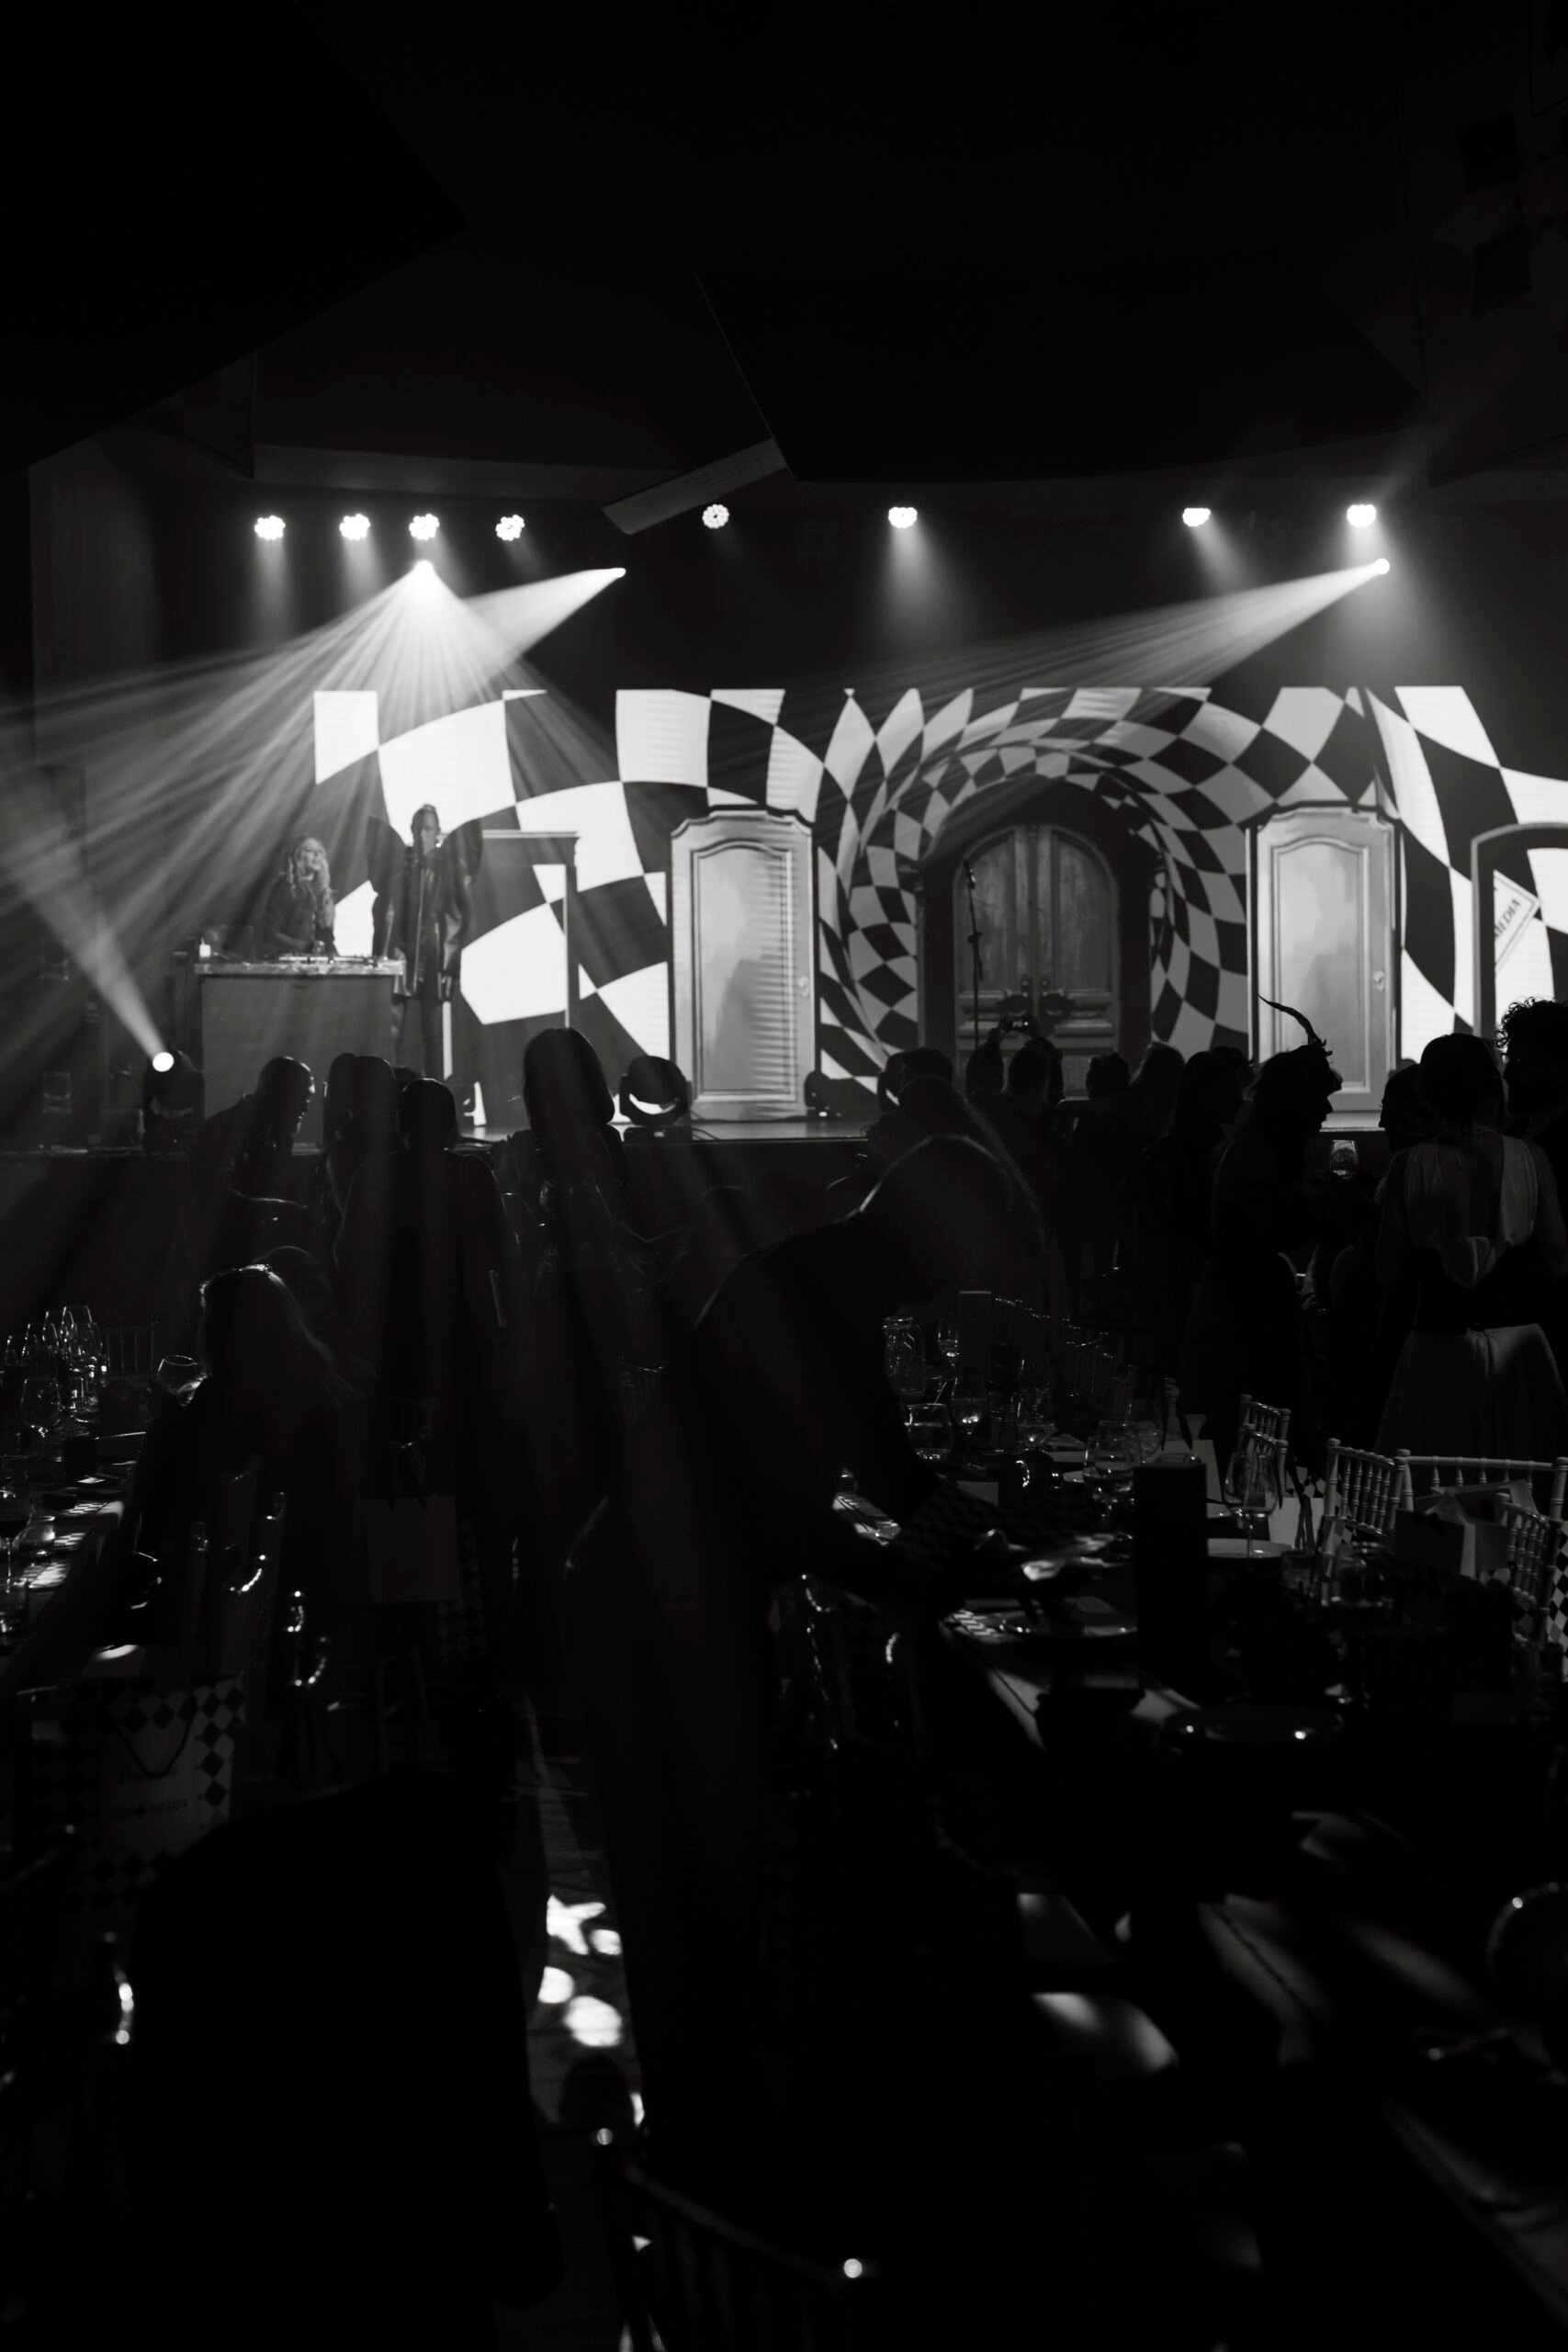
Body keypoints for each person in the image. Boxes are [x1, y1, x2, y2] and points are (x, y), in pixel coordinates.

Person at [563, 1137, 1027, 2182]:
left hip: (655, 1590)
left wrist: (967, 1547)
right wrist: (959, 1565)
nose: (967, 1272)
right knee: (693, 1864)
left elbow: (872, 1465)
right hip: (659, 1604)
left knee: (686, 1868)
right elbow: (820, 1493)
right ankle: (702, 2146)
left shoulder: (817, 1278)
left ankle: (702, 2123)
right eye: (967, 1247)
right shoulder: (820, 1293)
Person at [0, 1266, 359, 1727]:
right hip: (295, 1591)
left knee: (74, 1605)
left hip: (206, 1609)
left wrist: (165, 1423)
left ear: (222, 1333)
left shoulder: (224, 1398)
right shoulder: (311, 1389)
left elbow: (157, 1505)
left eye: (206, 1320)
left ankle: (69, 1734)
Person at [1376, 1034, 1568, 1458]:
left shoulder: (1407, 1166)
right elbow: (1556, 1265)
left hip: (1435, 1349)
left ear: (1427, 1094)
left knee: (1431, 1479)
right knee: (1523, 1481)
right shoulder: (1531, 1159)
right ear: (1489, 1088)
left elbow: (1388, 1271)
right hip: (1517, 1350)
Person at [1178, 1008, 1340, 1466]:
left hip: (1246, 1296)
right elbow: (1279, 1229)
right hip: (1243, 1304)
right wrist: (1326, 1207)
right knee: (1252, 1416)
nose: (1327, 1110)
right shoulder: (1255, 1152)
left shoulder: (1254, 1147)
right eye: (1320, 1099)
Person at [378, 804, 462, 1079]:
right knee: (392, 1030)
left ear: (437, 832)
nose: (423, 834)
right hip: (402, 954)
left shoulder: (446, 871)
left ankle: (436, 1091)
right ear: (412, 831)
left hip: (433, 955)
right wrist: (386, 955)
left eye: (428, 829)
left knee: (432, 1033)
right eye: (419, 829)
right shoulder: (401, 867)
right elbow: (388, 912)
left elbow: (454, 917)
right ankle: (387, 1088)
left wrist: (449, 964)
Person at [259, 836, 335, 957]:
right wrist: (305, 947)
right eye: (309, 850)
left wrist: (334, 955)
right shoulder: (285, 886)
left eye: (319, 851)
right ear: (297, 856)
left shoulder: (322, 890)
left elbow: (325, 935)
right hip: (287, 960)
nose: (316, 854)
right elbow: (270, 932)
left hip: (315, 961)